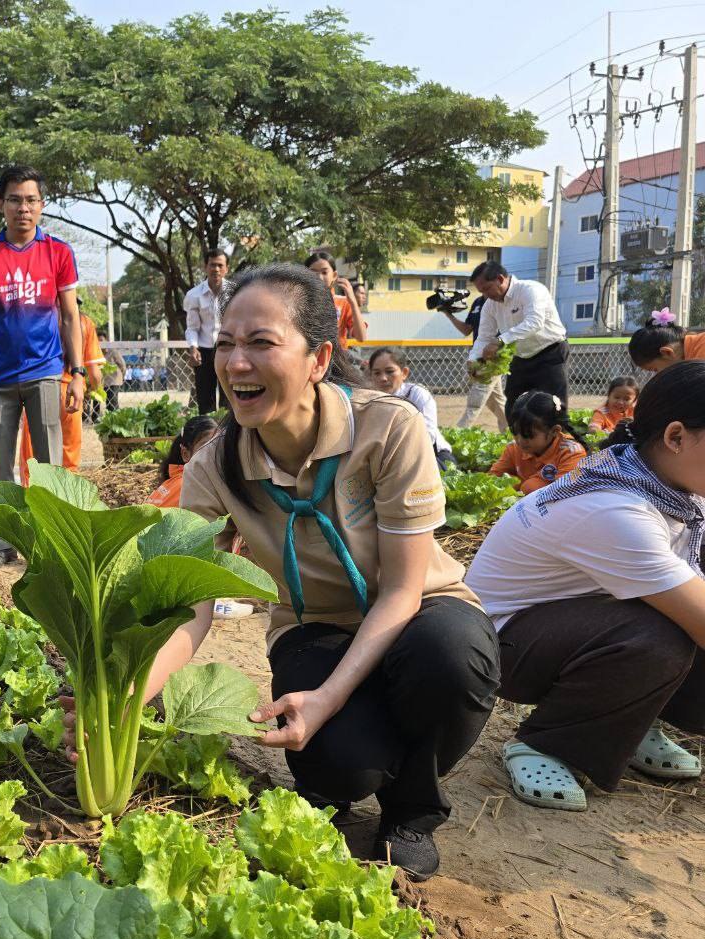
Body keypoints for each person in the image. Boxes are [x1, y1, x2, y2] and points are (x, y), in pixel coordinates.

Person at [84, 263, 499, 880]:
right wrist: (128, 694)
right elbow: (192, 605)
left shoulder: (388, 430)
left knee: (449, 657)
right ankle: (371, 749)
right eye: (226, 344)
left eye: (261, 343)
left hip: (420, 612)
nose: (236, 362)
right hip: (318, 623)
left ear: (317, 358)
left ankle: (412, 810)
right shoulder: (214, 466)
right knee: (340, 768)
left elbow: (404, 590)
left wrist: (329, 698)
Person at [466, 361, 705, 812]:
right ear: (675, 438)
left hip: (572, 622)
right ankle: (544, 745)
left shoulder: (664, 484)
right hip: (501, 643)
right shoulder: (617, 510)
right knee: (663, 638)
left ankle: (630, 722)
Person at [0, 165, 84, 563]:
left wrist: (77, 374)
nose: (22, 208)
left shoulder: (59, 252)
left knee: (50, 464)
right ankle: (3, 544)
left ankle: (55, 545)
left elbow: (69, 317)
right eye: (14, 199)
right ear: (1, 205)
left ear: (42, 206)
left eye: (30, 200)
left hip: (45, 371)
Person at [468, 260, 569, 417]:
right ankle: (519, 440)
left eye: (487, 288)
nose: (485, 295)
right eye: (481, 291)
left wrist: (500, 341)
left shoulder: (531, 290)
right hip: (520, 357)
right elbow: (484, 337)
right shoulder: (489, 305)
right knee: (514, 408)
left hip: (550, 353)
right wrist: (473, 360)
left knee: (553, 407)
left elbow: (534, 322)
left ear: (500, 279)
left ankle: (560, 440)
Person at [19, 311, 104, 478]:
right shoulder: (84, 322)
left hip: (39, 391)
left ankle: (30, 498)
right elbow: (95, 373)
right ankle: (64, 499)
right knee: (69, 458)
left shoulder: (36, 317)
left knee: (33, 458)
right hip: (72, 392)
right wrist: (94, 390)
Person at [368, 347, 455, 470]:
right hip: (386, 459)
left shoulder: (416, 394)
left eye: (389, 371)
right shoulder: (369, 400)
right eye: (377, 373)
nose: (383, 378)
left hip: (430, 455)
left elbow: (427, 436)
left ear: (404, 373)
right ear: (370, 376)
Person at [489, 391, 588, 494]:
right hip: (524, 505)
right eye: (515, 432)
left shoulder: (571, 453)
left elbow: (564, 493)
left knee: (530, 486)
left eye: (528, 435)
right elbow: (493, 478)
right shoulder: (514, 448)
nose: (520, 440)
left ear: (554, 431)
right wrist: (519, 484)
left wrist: (526, 486)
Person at [440, 294, 508, 431]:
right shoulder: (478, 302)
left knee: (475, 402)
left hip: (494, 358)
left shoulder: (501, 301)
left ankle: (457, 435)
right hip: (477, 357)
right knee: (495, 400)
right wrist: (448, 314)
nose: (482, 288)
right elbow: (466, 329)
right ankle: (512, 428)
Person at [183, 249, 231, 413]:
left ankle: (232, 436)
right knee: (205, 402)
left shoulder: (235, 293)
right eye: (212, 265)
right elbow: (192, 327)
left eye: (220, 265)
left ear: (226, 269)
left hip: (229, 351)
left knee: (230, 399)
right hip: (204, 352)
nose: (216, 269)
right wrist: (193, 348)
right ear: (205, 267)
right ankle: (209, 437)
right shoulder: (194, 295)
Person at [304, 252, 367, 349]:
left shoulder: (344, 303)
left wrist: (353, 302)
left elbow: (361, 337)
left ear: (334, 275)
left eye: (324, 272)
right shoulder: (299, 302)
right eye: (313, 272)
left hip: (336, 361)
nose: (319, 277)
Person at [627, 309, 705, 372]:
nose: (658, 375)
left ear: (667, 353)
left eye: (655, 370)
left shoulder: (699, 362)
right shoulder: (696, 348)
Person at [99, 330, 126, 415]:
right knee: (108, 402)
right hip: (105, 382)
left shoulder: (113, 351)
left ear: (106, 341)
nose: (100, 343)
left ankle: (117, 416)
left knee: (113, 400)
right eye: (98, 341)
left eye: (101, 340)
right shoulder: (98, 353)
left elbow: (122, 364)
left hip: (114, 380)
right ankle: (111, 418)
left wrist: (122, 376)